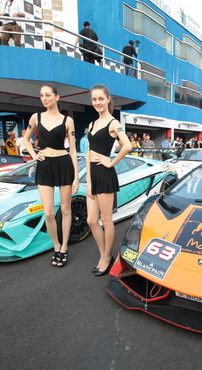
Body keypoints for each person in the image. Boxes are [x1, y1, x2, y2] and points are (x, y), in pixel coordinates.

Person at [23, 85, 78, 267]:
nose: (44, 98)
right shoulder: (36, 117)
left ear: (56, 97)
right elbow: (25, 138)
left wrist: (76, 176)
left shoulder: (67, 120)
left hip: (63, 165)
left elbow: (72, 149)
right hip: (44, 165)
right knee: (48, 213)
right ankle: (55, 245)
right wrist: (33, 154)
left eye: (47, 95)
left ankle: (64, 248)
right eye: (41, 96)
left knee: (65, 210)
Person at [85, 84, 131, 276]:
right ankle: (104, 254)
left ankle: (105, 257)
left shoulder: (113, 123)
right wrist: (88, 179)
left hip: (105, 174)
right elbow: (88, 153)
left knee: (106, 219)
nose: (97, 102)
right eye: (94, 99)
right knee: (91, 220)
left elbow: (127, 145)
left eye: (101, 99)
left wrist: (111, 162)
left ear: (108, 99)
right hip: (93, 175)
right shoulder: (92, 124)